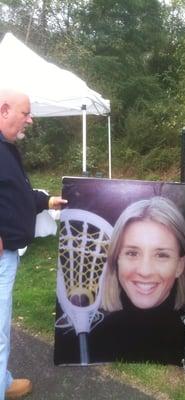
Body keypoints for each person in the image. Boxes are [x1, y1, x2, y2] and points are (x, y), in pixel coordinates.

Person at [54, 196, 185, 366]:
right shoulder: (96, 339)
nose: (144, 271)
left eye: (161, 255)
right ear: (116, 259)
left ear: (180, 265)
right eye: (132, 253)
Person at [0, 88, 67, 399]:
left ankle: (2, 380)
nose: (30, 119)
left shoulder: (7, 147)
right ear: (4, 110)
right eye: (25, 113)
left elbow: (16, 194)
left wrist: (47, 201)